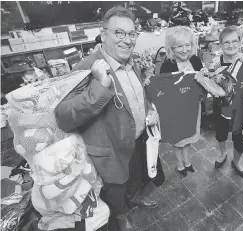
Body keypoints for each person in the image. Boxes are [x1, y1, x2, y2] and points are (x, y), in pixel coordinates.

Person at [55, 7, 160, 231]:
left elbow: (137, 94)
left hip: (138, 140)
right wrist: (100, 87)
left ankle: (135, 198)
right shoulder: (83, 69)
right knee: (116, 190)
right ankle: (120, 217)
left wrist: (151, 108)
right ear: (104, 35)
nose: (127, 41)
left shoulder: (133, 62)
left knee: (136, 177)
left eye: (132, 34)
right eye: (119, 33)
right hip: (110, 152)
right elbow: (63, 118)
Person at [145, 26, 204, 176]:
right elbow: (162, 89)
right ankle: (180, 164)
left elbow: (203, 82)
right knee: (177, 138)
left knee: (189, 136)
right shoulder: (167, 65)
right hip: (175, 110)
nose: (184, 50)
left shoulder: (196, 61)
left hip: (192, 107)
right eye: (179, 46)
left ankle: (187, 161)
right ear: (172, 48)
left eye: (187, 45)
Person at [212, 26, 243, 179]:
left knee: (240, 137)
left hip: (242, 107)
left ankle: (236, 161)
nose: (231, 45)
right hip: (220, 105)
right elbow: (211, 84)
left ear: (240, 42)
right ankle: (223, 154)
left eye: (234, 41)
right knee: (221, 133)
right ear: (220, 44)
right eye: (226, 42)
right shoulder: (215, 63)